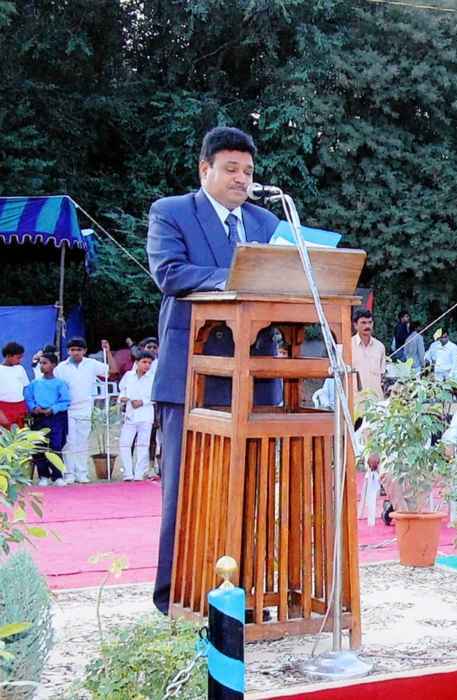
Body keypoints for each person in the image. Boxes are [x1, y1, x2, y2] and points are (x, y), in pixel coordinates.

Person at [146, 126, 281, 614]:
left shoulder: (268, 221)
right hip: (193, 375)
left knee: (252, 492)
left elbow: (286, 280)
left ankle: (248, 595)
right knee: (187, 492)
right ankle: (177, 596)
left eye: (249, 171)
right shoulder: (172, 212)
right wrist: (237, 278)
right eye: (231, 169)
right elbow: (170, 273)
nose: (242, 179)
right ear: (205, 169)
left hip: (257, 376)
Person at [54, 337, 109, 484]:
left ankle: (82, 473)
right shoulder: (61, 368)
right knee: (69, 442)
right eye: (72, 350)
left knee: (82, 441)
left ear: (84, 351)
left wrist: (108, 351)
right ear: (68, 351)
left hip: (85, 407)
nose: (76, 352)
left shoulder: (91, 364)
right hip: (68, 409)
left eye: (79, 350)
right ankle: (69, 473)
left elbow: (110, 370)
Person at [23, 352, 70, 485]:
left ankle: (57, 476)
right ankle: (43, 475)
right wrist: (34, 408)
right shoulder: (35, 383)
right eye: (40, 363)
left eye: (45, 363)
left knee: (56, 445)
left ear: (53, 365)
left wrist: (53, 409)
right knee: (38, 446)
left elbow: (65, 401)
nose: (41, 366)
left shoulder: (60, 384)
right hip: (38, 417)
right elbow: (28, 398)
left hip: (55, 418)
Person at [118, 351, 156, 481]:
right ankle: (128, 473)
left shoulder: (153, 378)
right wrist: (122, 398)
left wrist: (143, 402)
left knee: (143, 445)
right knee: (125, 444)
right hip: (130, 414)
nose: (147, 365)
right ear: (136, 363)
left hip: (145, 415)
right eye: (144, 362)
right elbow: (122, 389)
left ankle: (139, 474)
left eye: (149, 363)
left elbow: (155, 396)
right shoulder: (129, 375)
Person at [349, 308, 386, 408]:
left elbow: (382, 375)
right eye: (363, 323)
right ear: (355, 325)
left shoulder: (380, 347)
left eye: (370, 322)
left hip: (376, 401)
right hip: (355, 402)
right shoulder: (348, 346)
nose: (367, 326)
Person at [0, 342, 30, 428]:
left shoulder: (20, 369)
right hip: (3, 408)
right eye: (18, 358)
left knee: (20, 434)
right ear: (8, 356)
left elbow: (25, 389)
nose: (20, 360)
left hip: (20, 407)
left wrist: (26, 408)